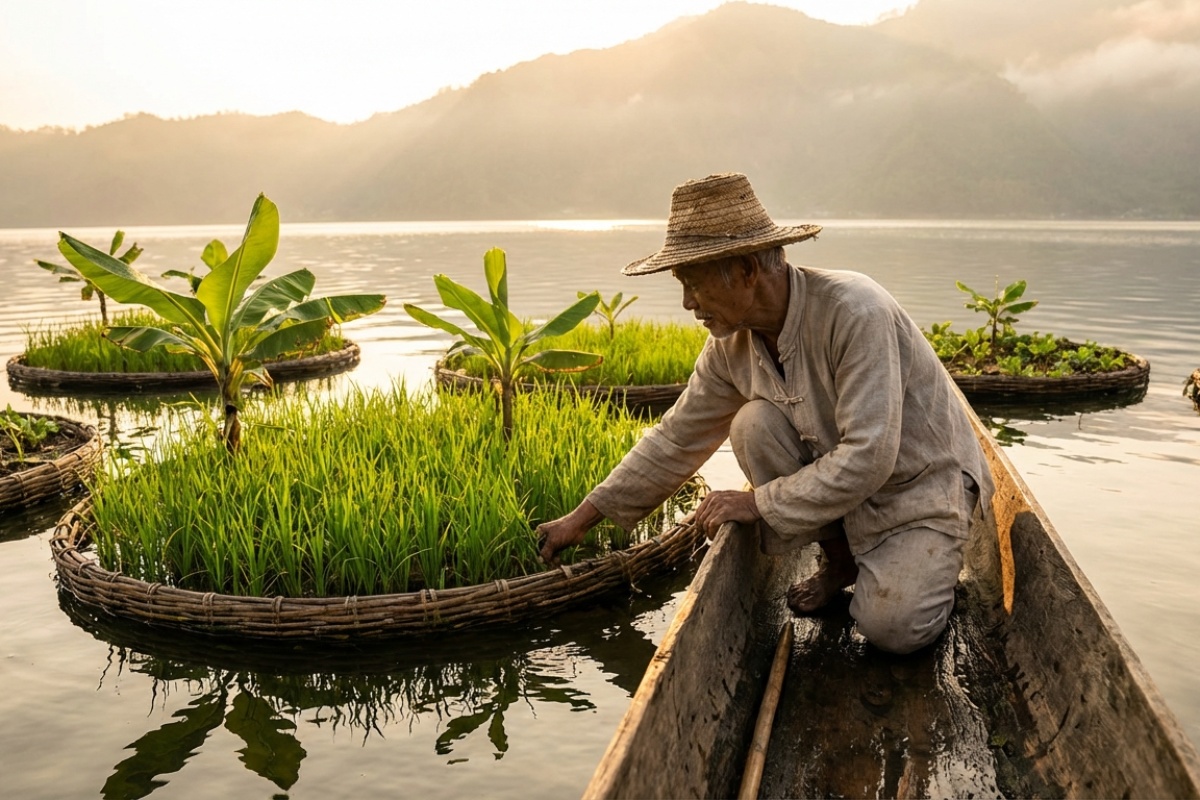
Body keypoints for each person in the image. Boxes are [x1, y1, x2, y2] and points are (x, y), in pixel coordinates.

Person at [536, 172, 994, 655]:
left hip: (917, 487)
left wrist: (757, 503)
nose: (688, 302)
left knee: (893, 630)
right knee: (752, 425)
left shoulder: (856, 312)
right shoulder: (729, 344)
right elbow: (676, 438)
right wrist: (582, 519)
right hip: (845, 489)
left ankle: (923, 560)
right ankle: (839, 560)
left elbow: (869, 457)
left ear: (748, 270)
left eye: (694, 283)